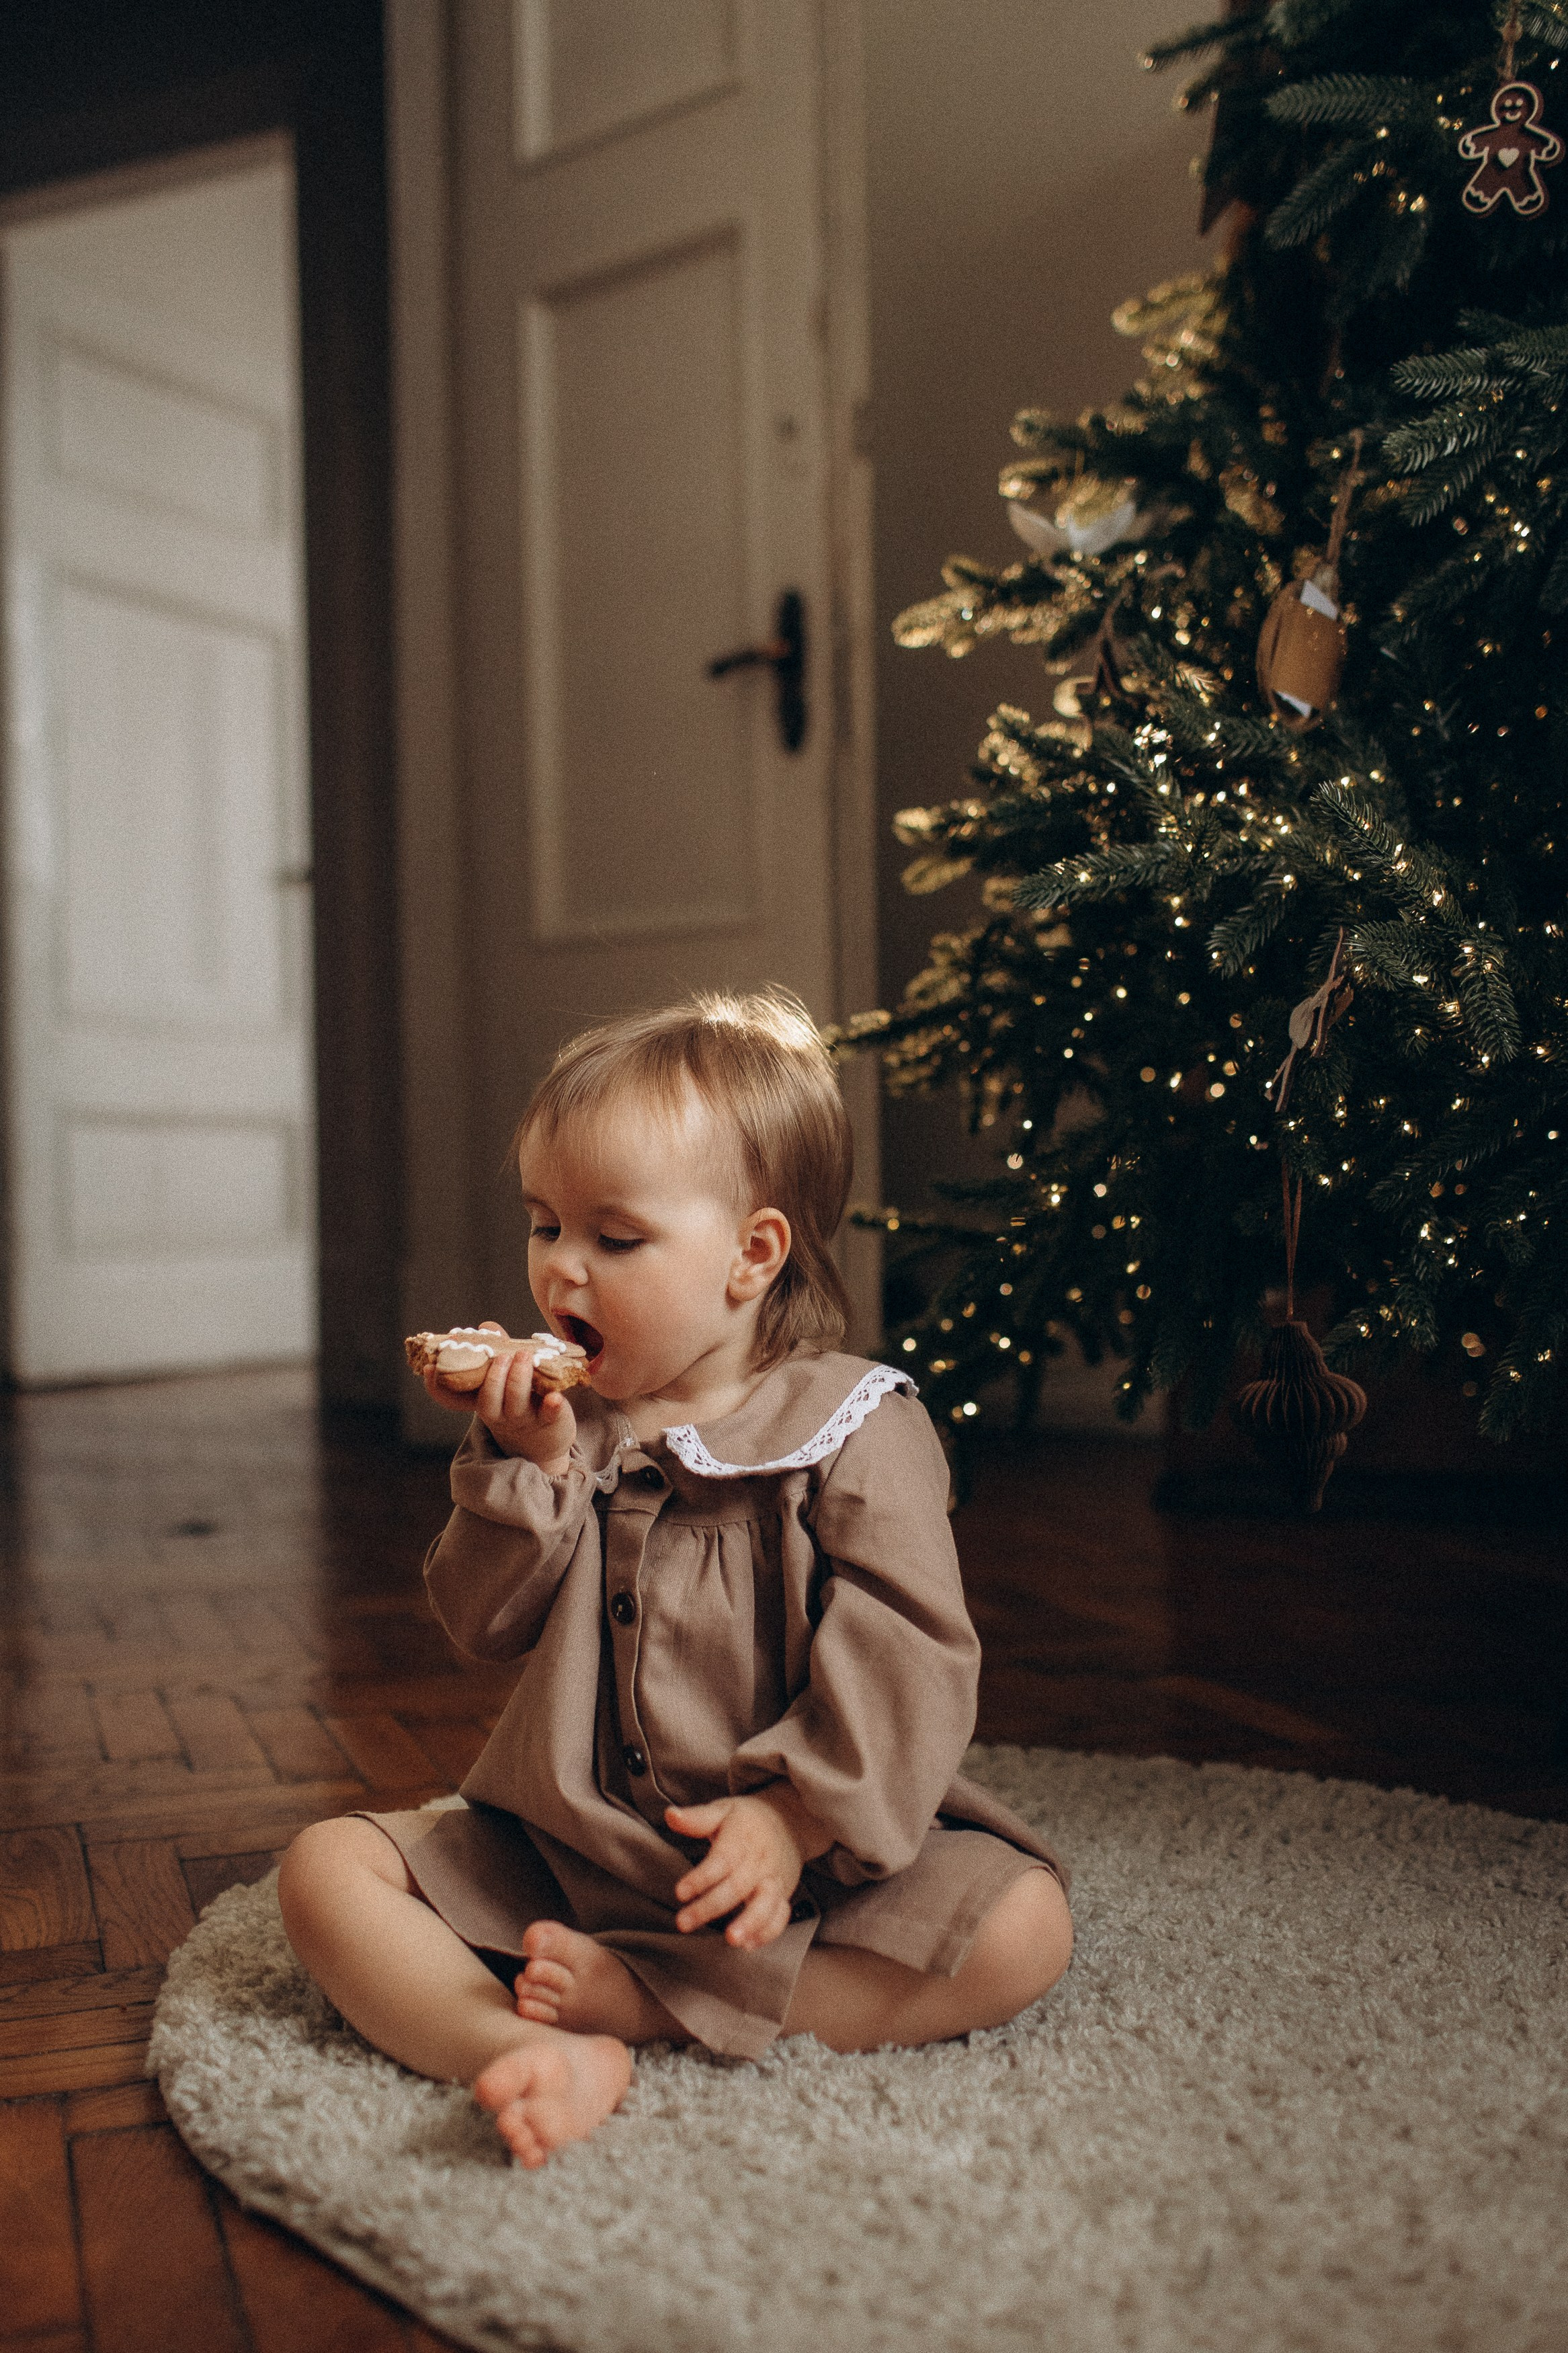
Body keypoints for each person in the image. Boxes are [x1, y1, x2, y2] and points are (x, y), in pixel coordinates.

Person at [278, 991, 1073, 2168]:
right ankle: (514, 2043)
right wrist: (526, 1467)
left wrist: (793, 1817)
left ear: (752, 1255)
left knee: (1022, 1931)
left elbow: (912, 1653)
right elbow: (480, 1623)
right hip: (576, 1847)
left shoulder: (858, 1425)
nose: (561, 1269)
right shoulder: (568, 1425)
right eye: (544, 1225)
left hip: (802, 1866)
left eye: (614, 1239)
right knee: (326, 1870)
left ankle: (653, 2005)